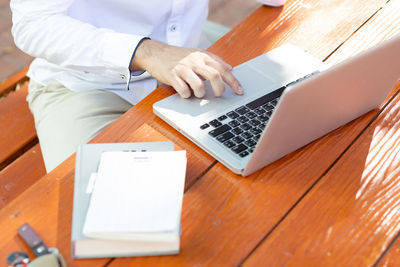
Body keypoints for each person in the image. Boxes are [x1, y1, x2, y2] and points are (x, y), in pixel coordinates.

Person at [10, 0, 284, 172]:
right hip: (87, 83)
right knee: (104, 204)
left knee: (281, 142)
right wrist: (147, 53)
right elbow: (32, 25)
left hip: (195, 57)